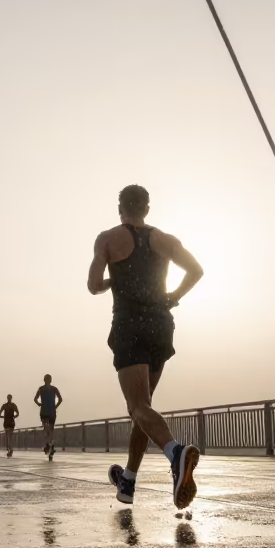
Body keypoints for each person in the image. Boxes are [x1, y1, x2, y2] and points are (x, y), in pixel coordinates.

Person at [86, 184, 204, 509]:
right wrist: (173, 297)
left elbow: (93, 285)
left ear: (120, 207)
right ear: (147, 209)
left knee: (138, 407)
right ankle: (128, 482)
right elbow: (196, 270)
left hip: (130, 325)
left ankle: (176, 454)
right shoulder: (164, 239)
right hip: (161, 325)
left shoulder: (108, 239)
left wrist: (115, 279)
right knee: (144, 407)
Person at [34, 374, 63, 460]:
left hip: (44, 412)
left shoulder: (41, 389)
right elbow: (60, 399)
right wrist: (55, 406)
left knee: (46, 429)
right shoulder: (54, 389)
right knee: (51, 429)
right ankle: (51, 444)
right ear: (50, 380)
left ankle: (48, 444)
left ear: (44, 380)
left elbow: (35, 399)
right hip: (52, 412)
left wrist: (39, 404)